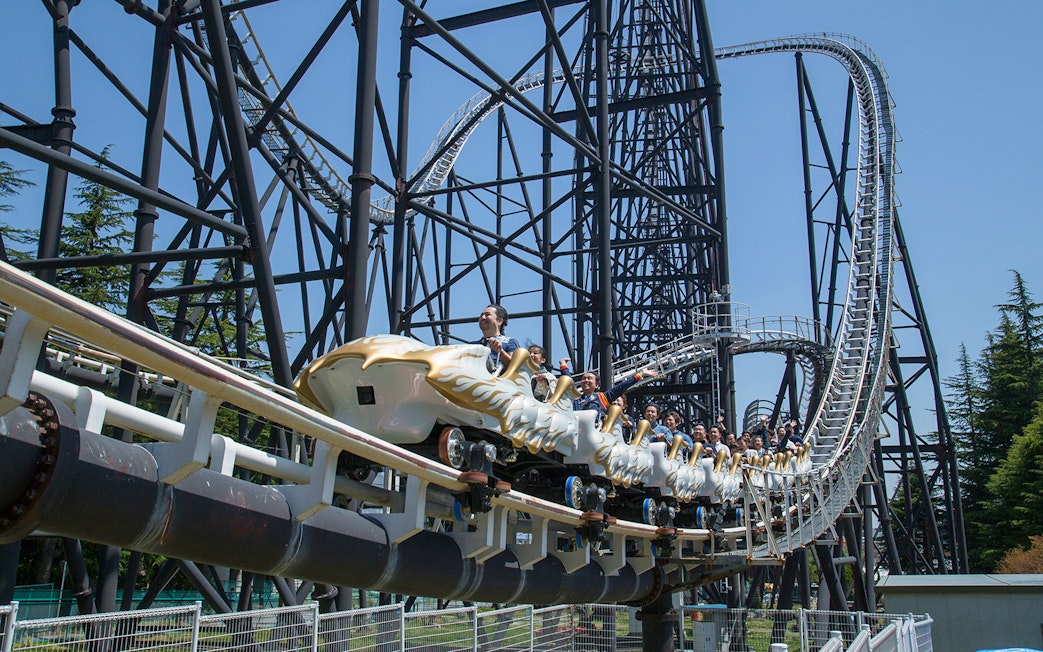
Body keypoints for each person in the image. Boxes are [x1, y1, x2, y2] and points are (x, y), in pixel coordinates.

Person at [573, 366, 658, 423]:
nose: (586, 381)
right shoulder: (575, 399)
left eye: (589, 378)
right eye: (584, 379)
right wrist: (564, 366)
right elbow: (567, 383)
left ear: (597, 385)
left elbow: (622, 386)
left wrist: (641, 374)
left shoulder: (602, 397)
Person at [473, 304, 520, 371]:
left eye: (487, 315)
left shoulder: (510, 341)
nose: (483, 317)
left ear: (499, 321)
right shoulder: (471, 345)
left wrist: (501, 352)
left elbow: (515, 367)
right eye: (481, 315)